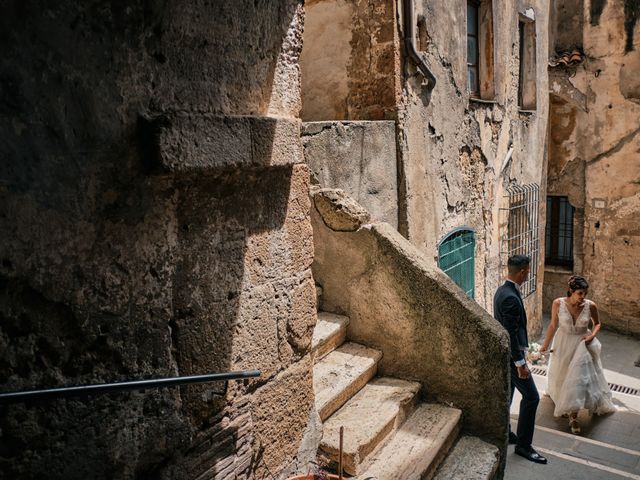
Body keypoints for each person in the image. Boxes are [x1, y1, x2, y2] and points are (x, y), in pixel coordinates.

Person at [540, 275, 615, 434]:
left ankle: (573, 416)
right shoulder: (557, 303)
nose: (583, 297)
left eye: (585, 293)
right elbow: (553, 325)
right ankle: (564, 402)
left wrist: (591, 336)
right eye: (580, 293)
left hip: (582, 345)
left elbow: (598, 323)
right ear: (571, 291)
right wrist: (544, 346)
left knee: (577, 378)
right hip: (563, 342)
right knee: (563, 374)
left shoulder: (590, 306)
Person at [494, 255, 547, 464]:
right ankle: (524, 446)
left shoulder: (502, 290)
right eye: (528, 271)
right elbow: (510, 333)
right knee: (532, 398)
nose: (528, 274)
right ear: (523, 271)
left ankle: (505, 432)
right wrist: (520, 364)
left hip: (510, 356)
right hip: (512, 359)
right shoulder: (510, 297)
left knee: (509, 394)